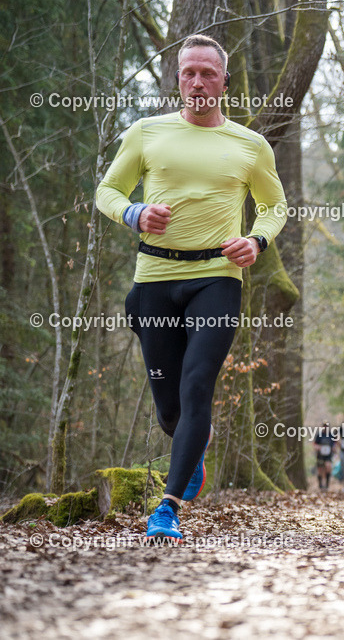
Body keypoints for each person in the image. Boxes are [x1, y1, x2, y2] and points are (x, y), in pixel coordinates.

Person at [95, 34, 287, 542]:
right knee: (171, 412)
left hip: (216, 279)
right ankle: (192, 448)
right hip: (154, 280)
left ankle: (168, 508)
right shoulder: (146, 133)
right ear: (177, 80)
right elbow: (106, 192)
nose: (197, 82)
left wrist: (257, 240)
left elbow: (274, 206)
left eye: (207, 73)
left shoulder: (250, 145)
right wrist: (134, 212)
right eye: (188, 74)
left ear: (225, 80)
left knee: (198, 384)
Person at [312, 421, 336, 491]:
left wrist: (334, 448)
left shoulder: (331, 435)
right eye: (324, 426)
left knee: (328, 467)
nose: (325, 427)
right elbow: (315, 444)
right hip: (320, 455)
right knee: (320, 469)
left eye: (327, 426)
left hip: (328, 455)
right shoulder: (319, 435)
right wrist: (318, 447)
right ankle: (320, 485)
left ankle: (327, 484)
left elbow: (335, 443)